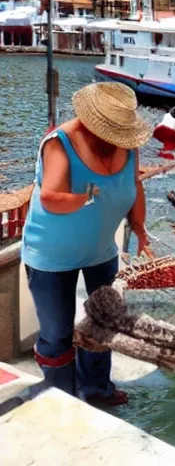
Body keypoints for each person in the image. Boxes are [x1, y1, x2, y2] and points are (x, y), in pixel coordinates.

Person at [21, 82, 152, 406]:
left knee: (102, 323)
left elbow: (133, 184)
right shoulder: (60, 143)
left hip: (100, 252)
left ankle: (96, 391)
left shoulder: (128, 144)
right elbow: (50, 198)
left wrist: (139, 227)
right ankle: (61, 398)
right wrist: (89, 196)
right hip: (51, 256)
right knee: (57, 334)